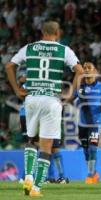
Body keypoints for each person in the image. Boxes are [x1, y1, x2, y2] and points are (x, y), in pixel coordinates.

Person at [5, 21, 84, 197]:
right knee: (46, 146)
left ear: (42, 32)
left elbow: (9, 66)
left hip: (31, 98)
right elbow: (80, 71)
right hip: (51, 100)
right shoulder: (64, 50)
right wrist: (70, 92)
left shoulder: (29, 48)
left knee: (31, 140)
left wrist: (17, 90)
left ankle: (28, 176)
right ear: (59, 33)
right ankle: (36, 188)